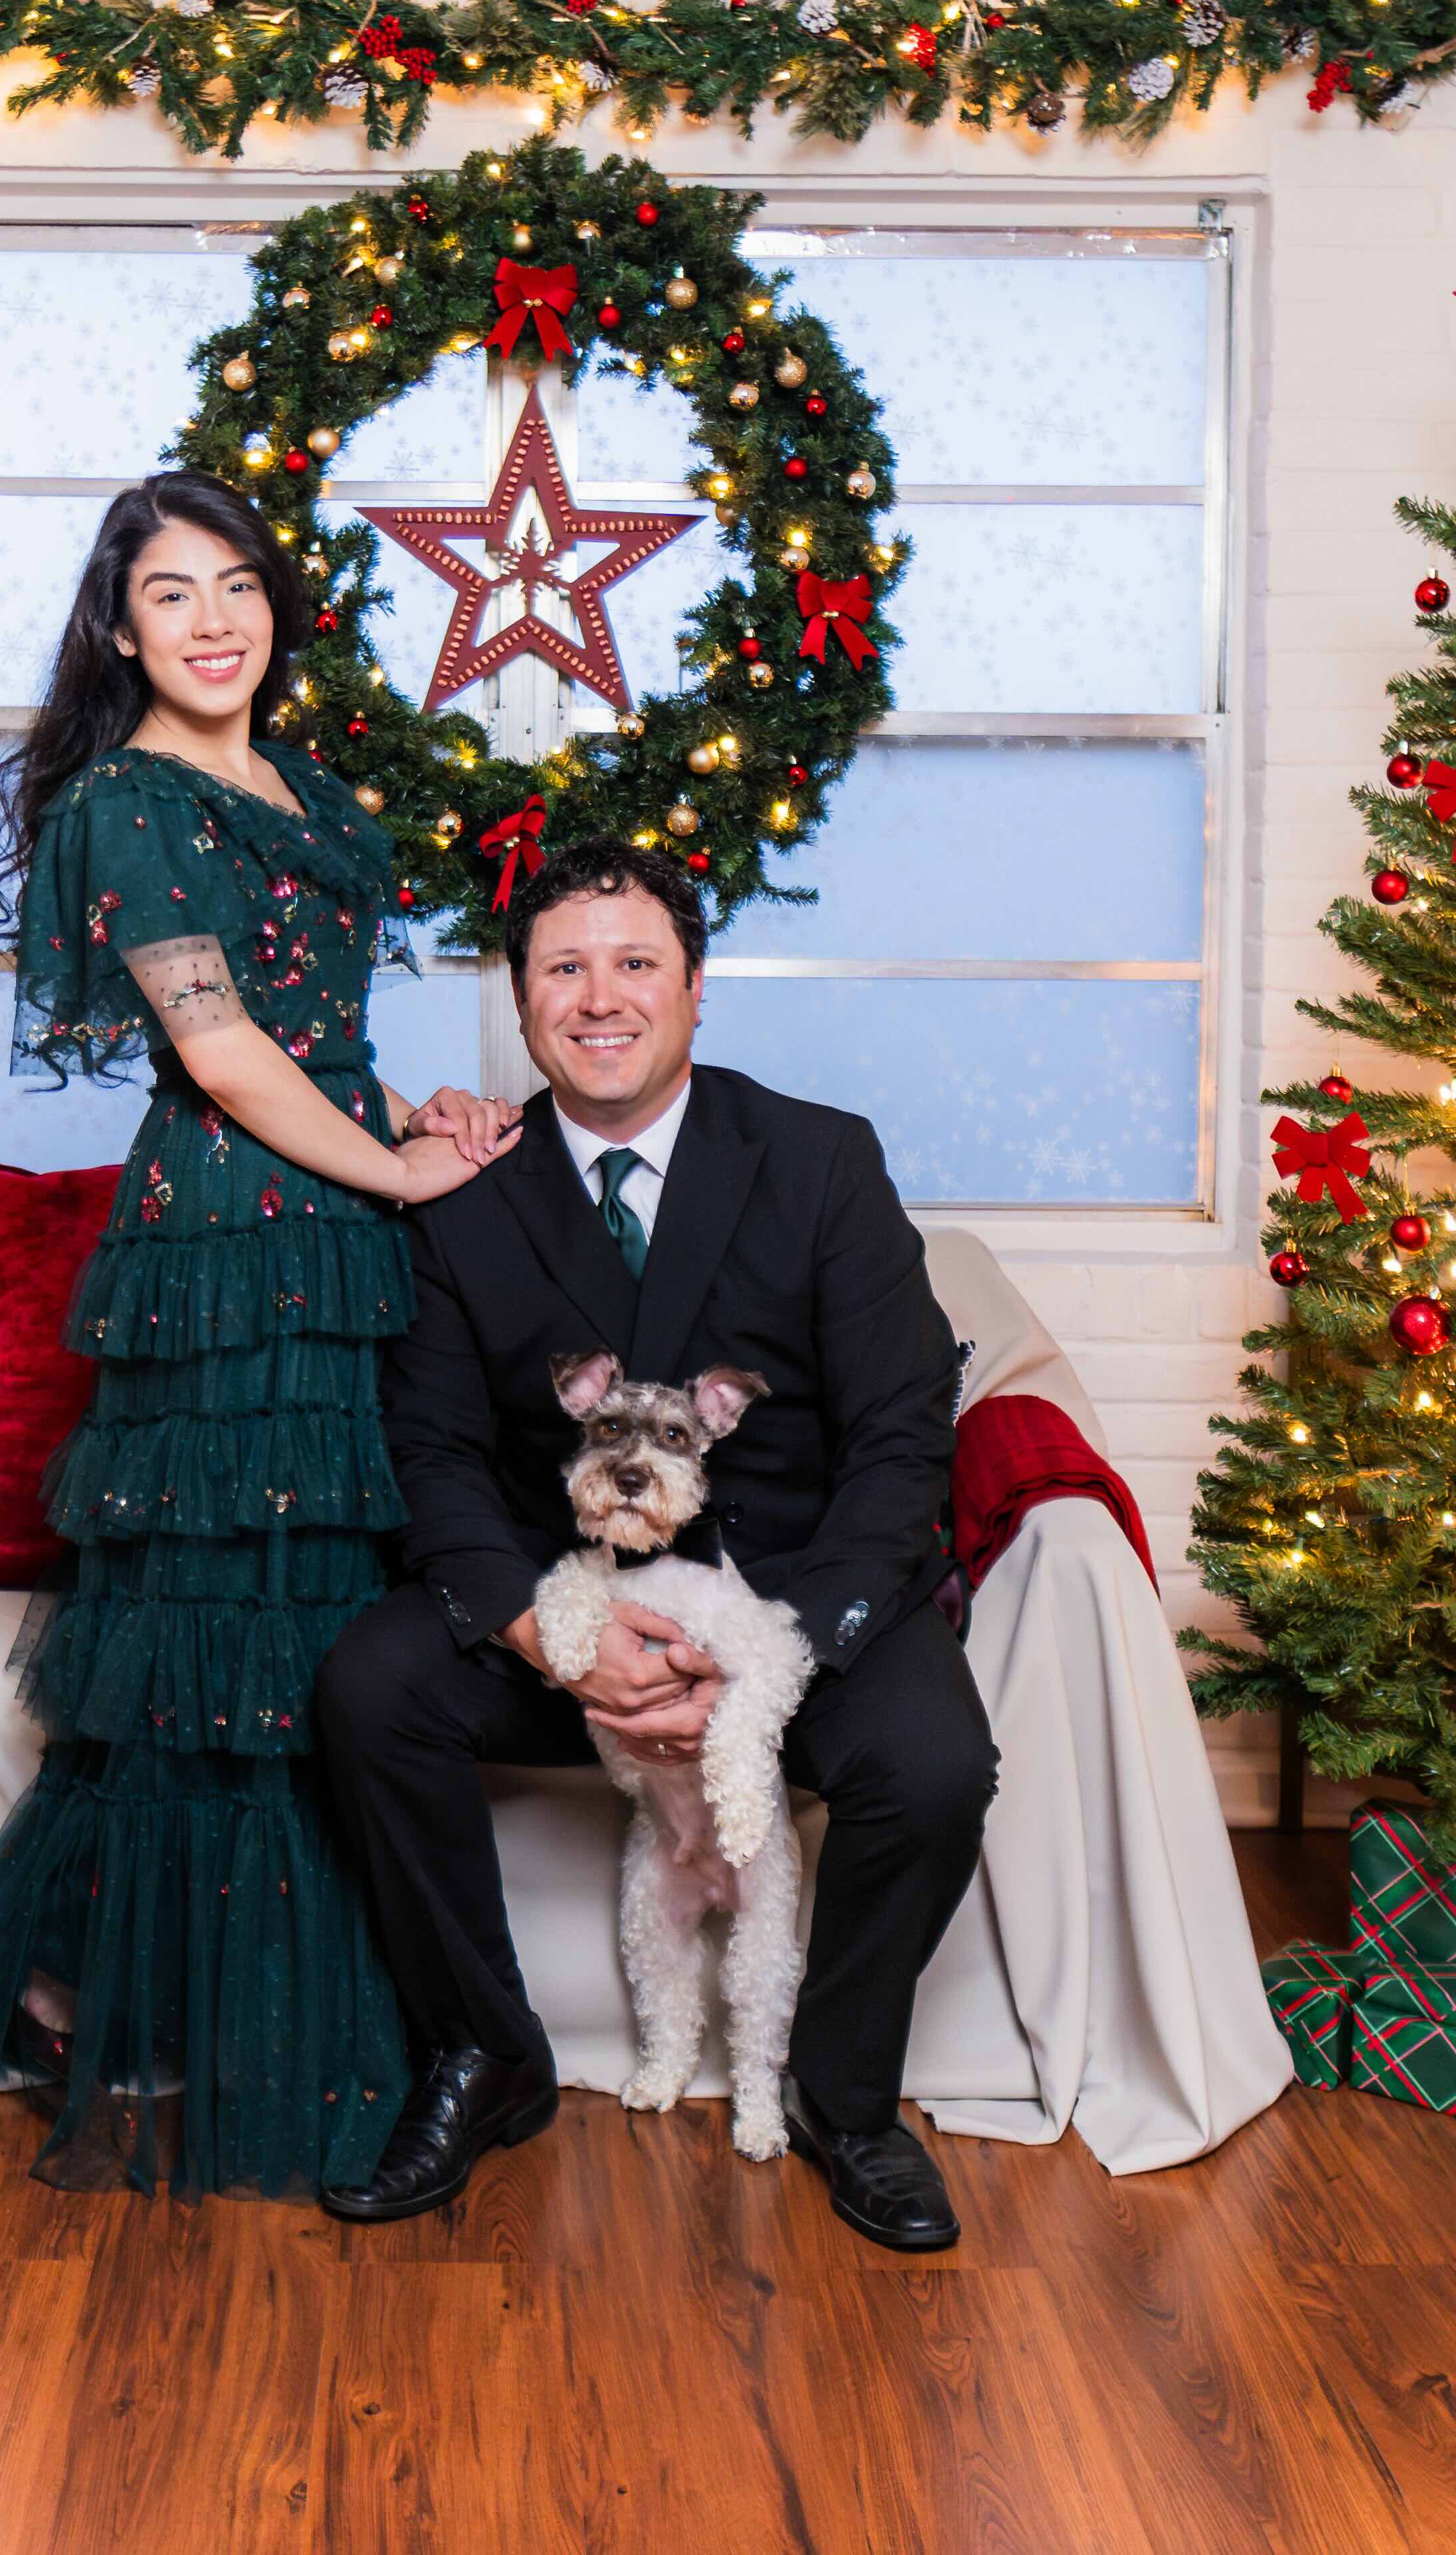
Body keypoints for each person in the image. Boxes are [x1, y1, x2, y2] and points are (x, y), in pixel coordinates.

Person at [0, 472, 520, 2197]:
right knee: (208, 1645)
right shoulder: (130, 798)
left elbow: (319, 1043)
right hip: (226, 1241)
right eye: (171, 595)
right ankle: (94, 1996)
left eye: (237, 586)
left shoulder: (304, 787)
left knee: (317, 1631)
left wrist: (425, 1118)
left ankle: (273, 1994)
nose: (213, 621)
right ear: (120, 628)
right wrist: (397, 1176)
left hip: (324, 1223)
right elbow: (227, 1058)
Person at [312, 838, 996, 2251]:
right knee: (366, 1693)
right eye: (563, 967)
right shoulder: (456, 1187)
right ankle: (480, 2051)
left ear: (694, 989)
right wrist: (536, 1634)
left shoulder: (816, 1157)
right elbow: (427, 1448)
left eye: (635, 963)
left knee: (933, 1765)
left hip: (786, 1607)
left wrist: (779, 1652)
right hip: (565, 1609)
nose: (599, 996)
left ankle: (842, 2095)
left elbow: (897, 1430)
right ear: (519, 1002)